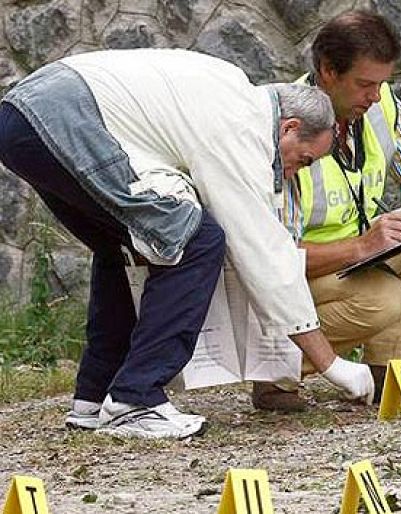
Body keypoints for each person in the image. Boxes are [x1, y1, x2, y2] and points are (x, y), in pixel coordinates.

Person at [0, 48, 374, 439]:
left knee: (126, 247)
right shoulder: (242, 127)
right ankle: (135, 400)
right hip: (62, 116)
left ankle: (94, 399)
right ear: (289, 128)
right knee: (198, 241)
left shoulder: (230, 92)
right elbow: (262, 252)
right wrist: (331, 364)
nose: (296, 172)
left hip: (23, 115)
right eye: (304, 159)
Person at [252, 11, 401, 412]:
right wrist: (361, 247)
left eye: (381, 83)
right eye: (364, 84)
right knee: (383, 299)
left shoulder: (380, 103)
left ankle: (397, 366)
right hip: (300, 272)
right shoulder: (290, 123)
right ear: (328, 71)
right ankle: (276, 372)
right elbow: (275, 259)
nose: (375, 96)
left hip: (355, 254)